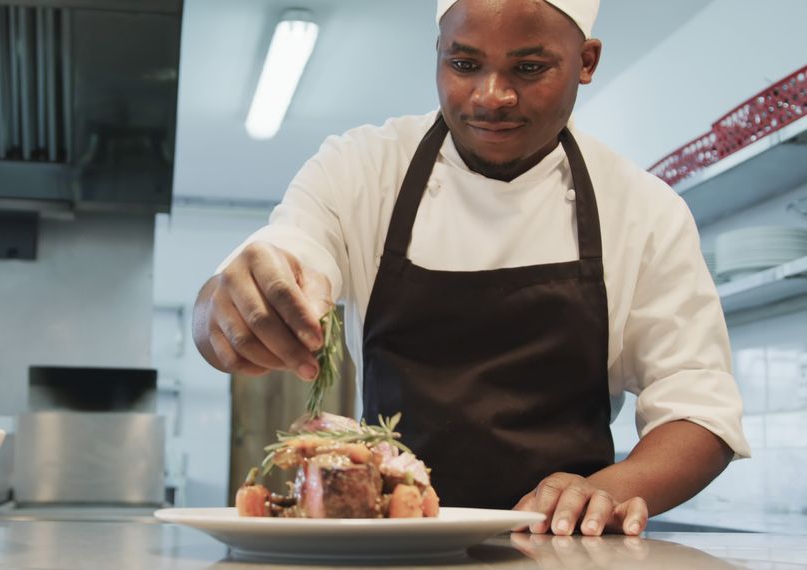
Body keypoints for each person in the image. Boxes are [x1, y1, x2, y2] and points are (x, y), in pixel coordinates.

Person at [192, 0, 750, 536]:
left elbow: (700, 409)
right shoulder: (360, 169)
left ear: (586, 62)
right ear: (438, 52)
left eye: (529, 68)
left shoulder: (643, 210)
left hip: (563, 548)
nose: (492, 96)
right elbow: (288, 250)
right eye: (464, 64)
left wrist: (611, 487)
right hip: (387, 539)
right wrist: (229, 306)